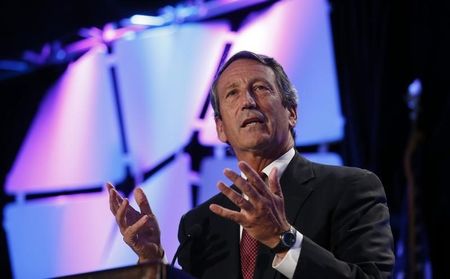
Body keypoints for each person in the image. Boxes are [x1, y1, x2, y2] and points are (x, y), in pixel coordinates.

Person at [107, 50, 395, 279]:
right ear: (220, 129)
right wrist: (152, 263)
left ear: (291, 112)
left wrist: (283, 239)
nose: (247, 101)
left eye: (260, 88)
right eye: (232, 93)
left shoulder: (351, 188)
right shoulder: (200, 224)